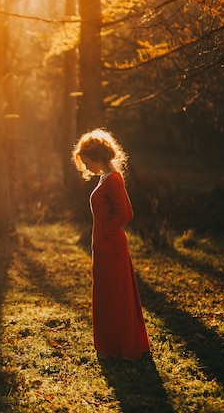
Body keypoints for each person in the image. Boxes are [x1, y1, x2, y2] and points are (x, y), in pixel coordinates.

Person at [72, 128, 150, 361]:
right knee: (107, 296)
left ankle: (120, 346)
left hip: (111, 247)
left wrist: (105, 234)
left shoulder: (113, 179)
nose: (86, 168)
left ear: (97, 158)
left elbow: (125, 212)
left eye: (87, 162)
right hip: (104, 247)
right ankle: (108, 345)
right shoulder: (105, 178)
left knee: (115, 295)